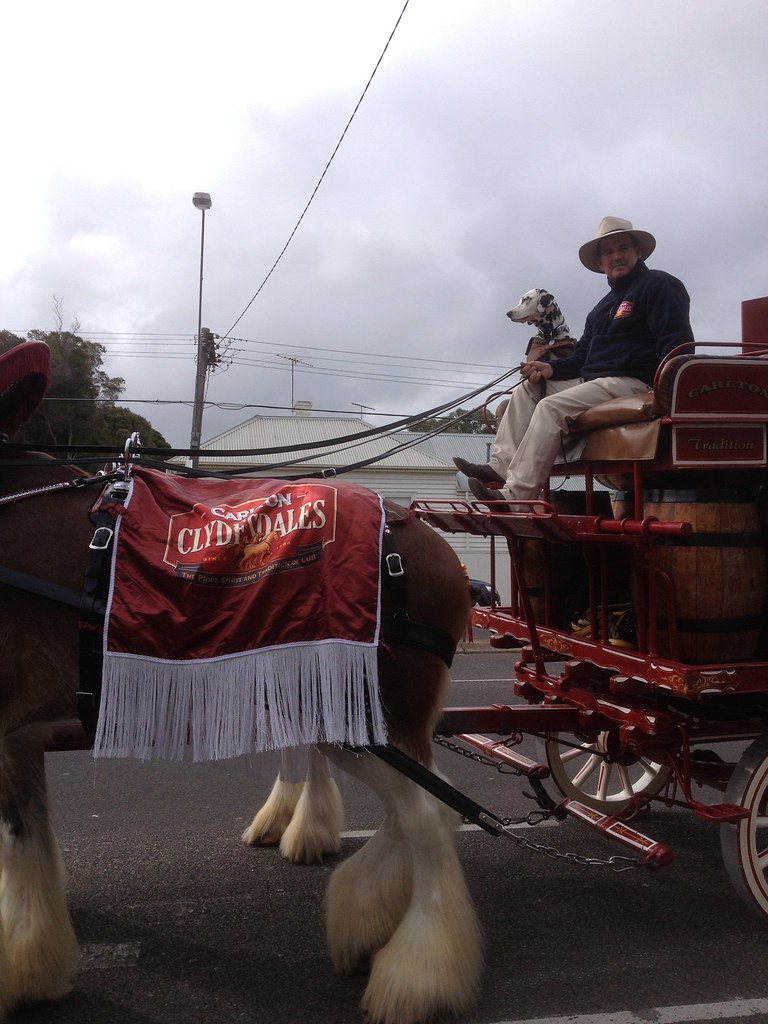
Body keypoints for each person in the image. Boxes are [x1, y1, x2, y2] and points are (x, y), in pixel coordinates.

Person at [454, 216, 694, 503]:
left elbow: (677, 344)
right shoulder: (600, 309)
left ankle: (516, 497)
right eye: (608, 252)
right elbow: (580, 359)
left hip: (633, 382)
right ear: (601, 262)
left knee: (550, 408)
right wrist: (549, 368)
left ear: (637, 252)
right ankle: (500, 466)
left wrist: (664, 390)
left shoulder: (659, 285)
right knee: (528, 388)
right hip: (595, 383)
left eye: (623, 248)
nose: (616, 256)